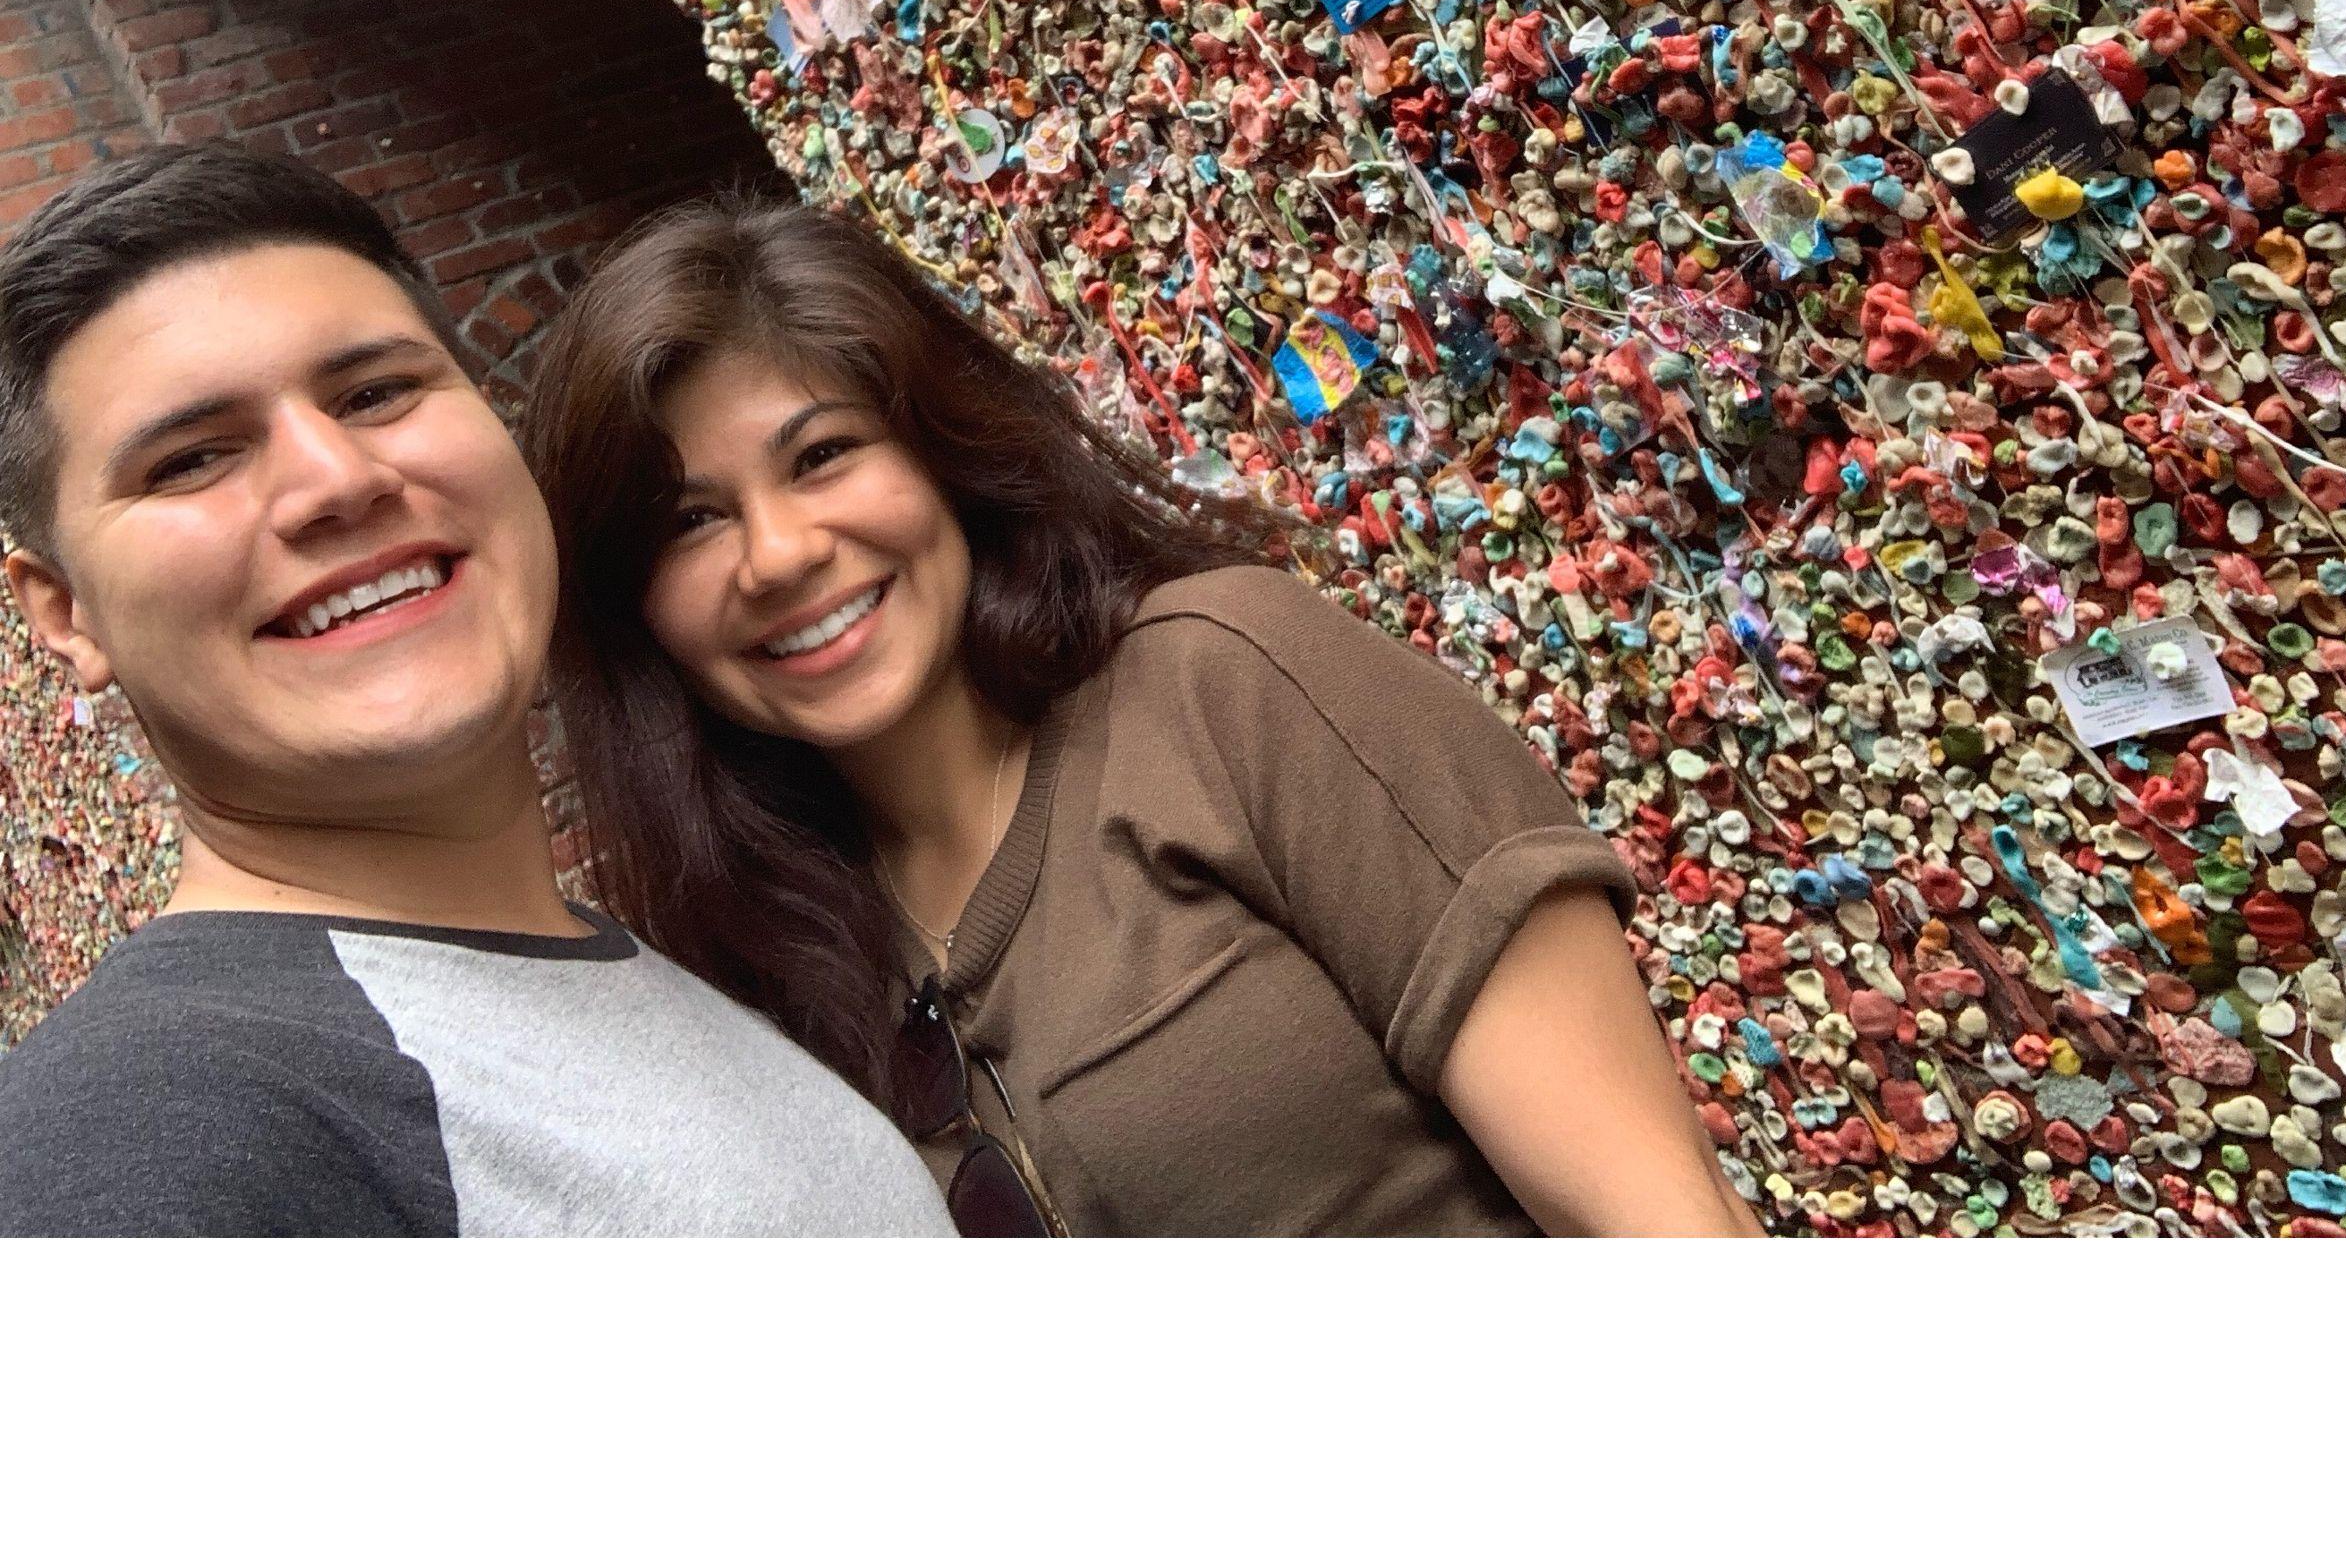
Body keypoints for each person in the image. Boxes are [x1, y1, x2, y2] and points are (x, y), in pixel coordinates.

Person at [522, 193, 1762, 1237]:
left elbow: (1670, 1235)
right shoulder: (772, 956)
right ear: (640, 619)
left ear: (943, 455)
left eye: (824, 455)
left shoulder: (1227, 686)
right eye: (691, 521)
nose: (780, 552)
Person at [0, 147, 952, 1238]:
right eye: (190, 460)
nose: (340, 480)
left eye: (375, 392)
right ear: (65, 613)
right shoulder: (147, 1134)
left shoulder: (650, 961)